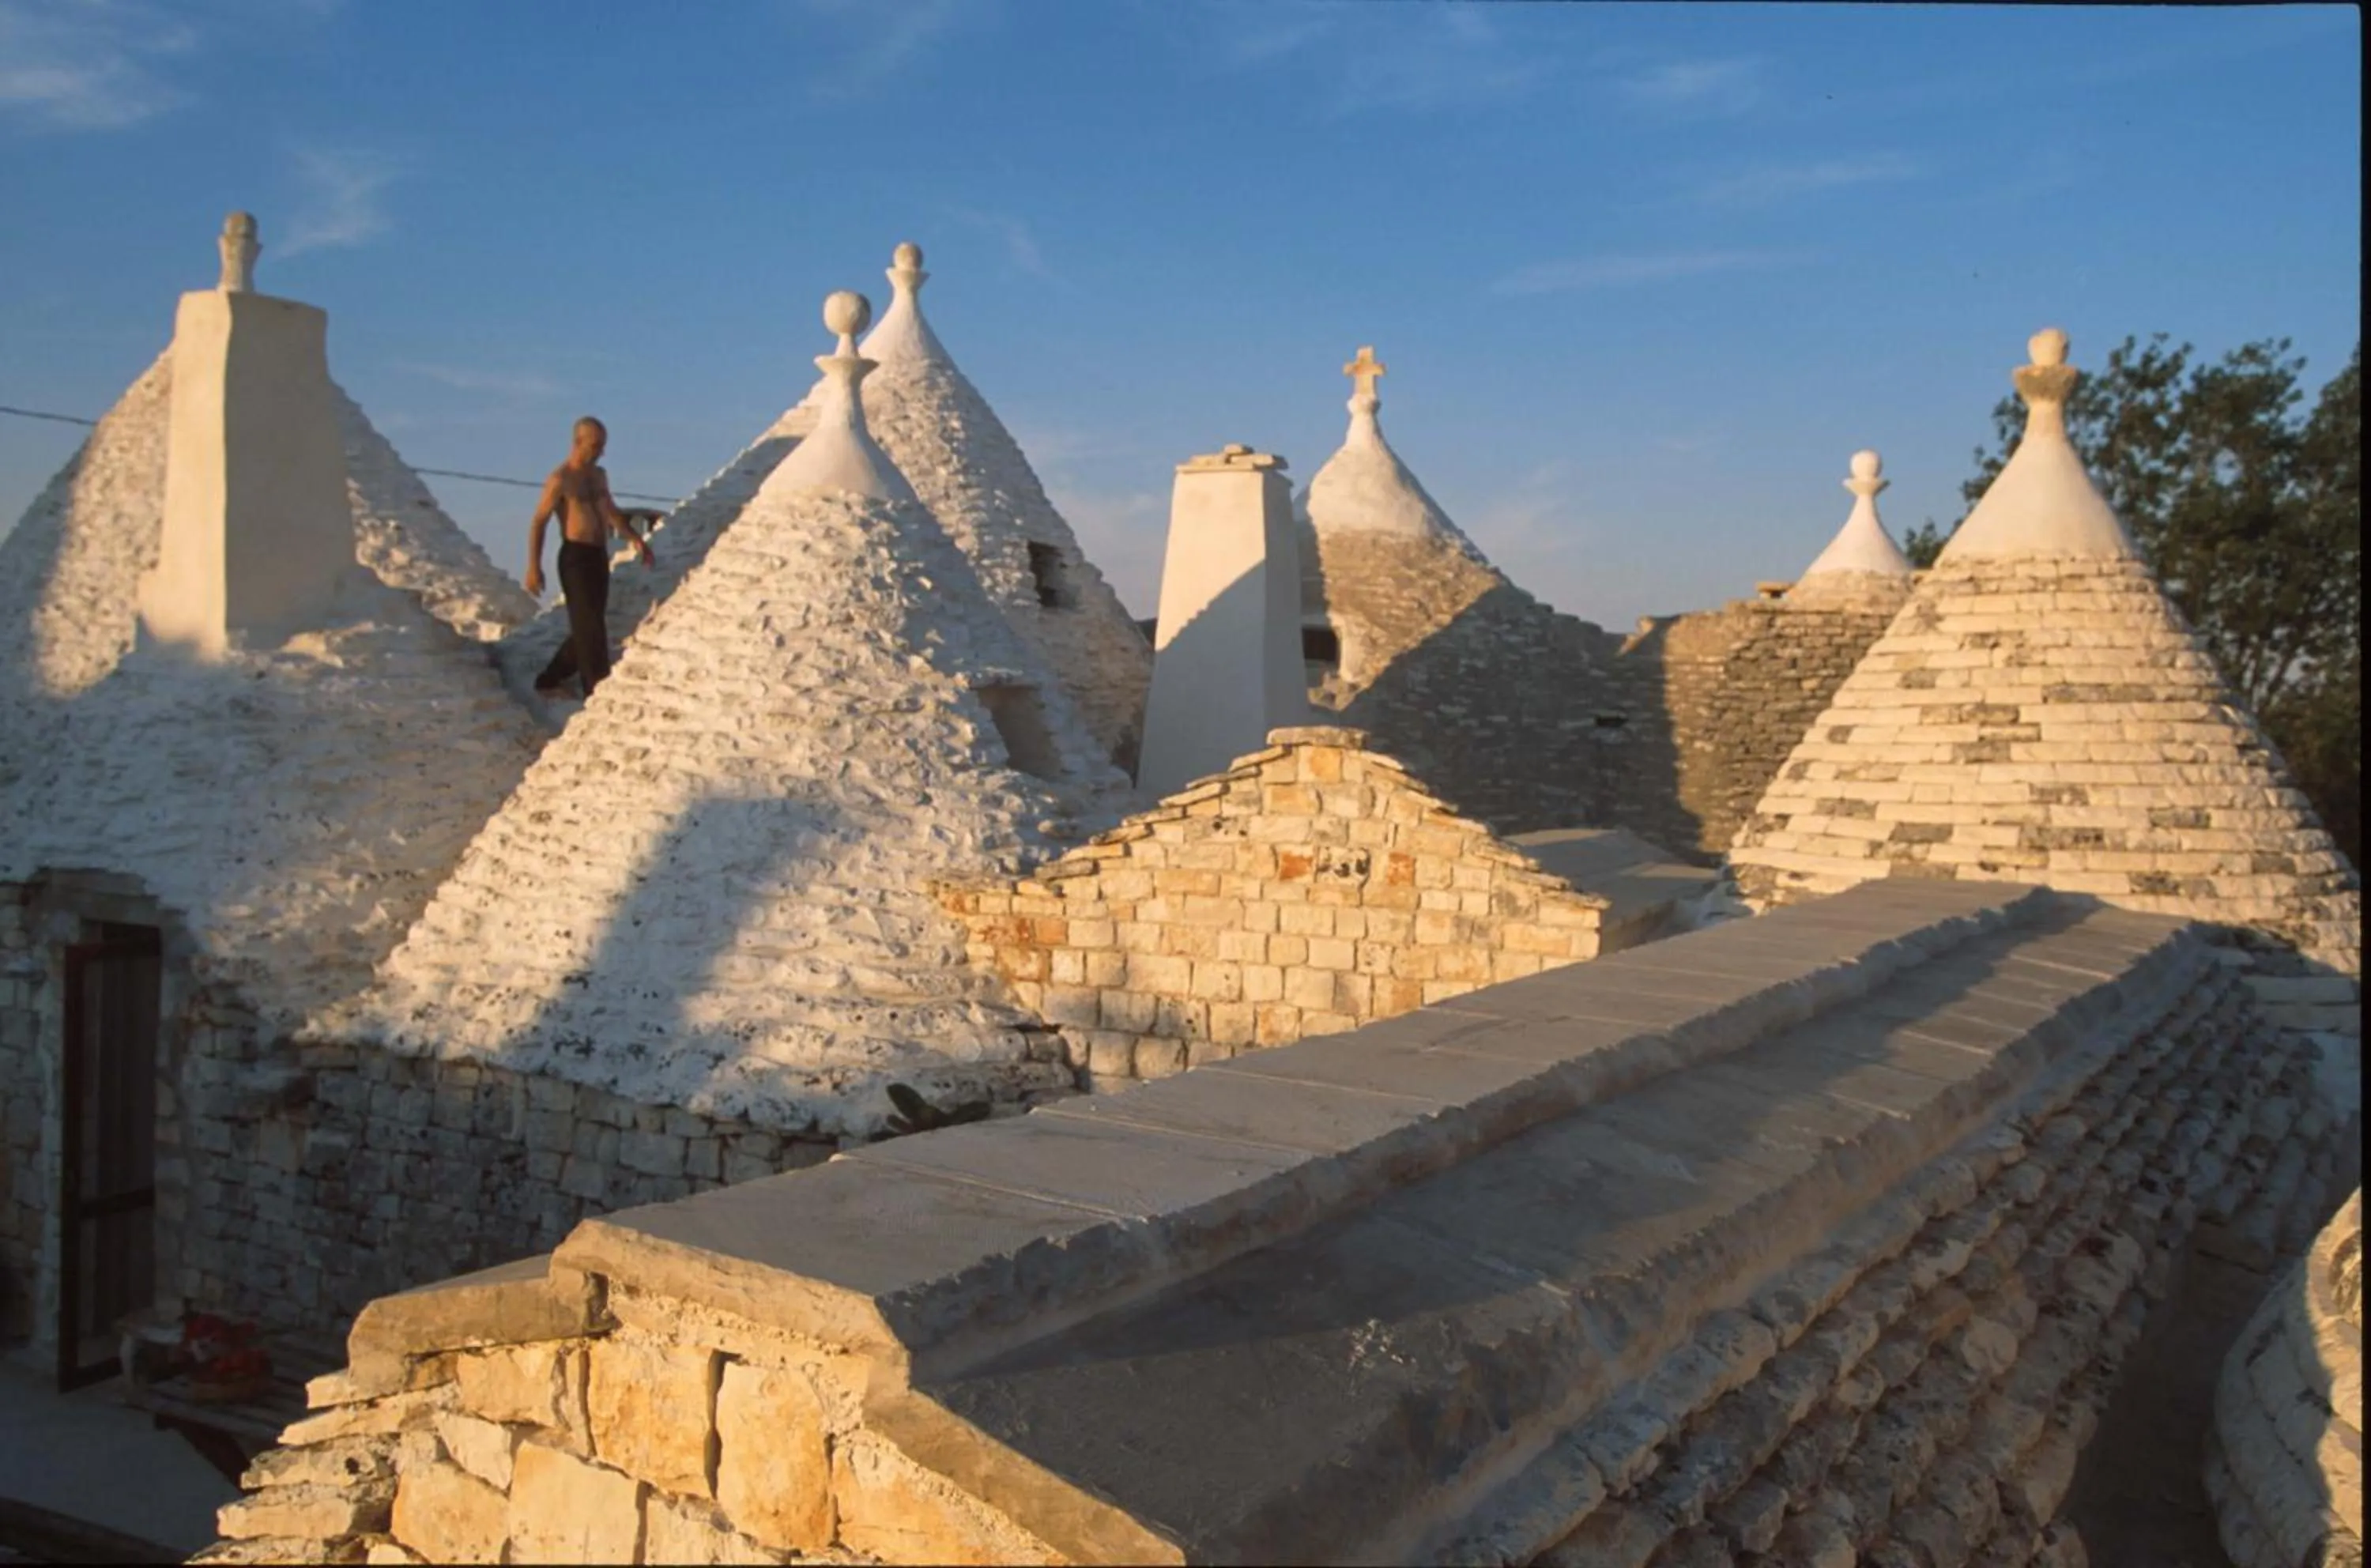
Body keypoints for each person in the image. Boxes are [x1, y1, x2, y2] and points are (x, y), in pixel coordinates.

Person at [526, 416, 657, 698]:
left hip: (598, 555)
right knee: (589, 626)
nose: (601, 452)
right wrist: (534, 567)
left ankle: (550, 678)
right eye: (595, 446)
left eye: (603, 446)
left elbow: (611, 512)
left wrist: (635, 538)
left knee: (591, 623)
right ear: (578, 442)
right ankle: (596, 690)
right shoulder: (560, 479)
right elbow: (539, 522)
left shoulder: (599, 476)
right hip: (575, 557)